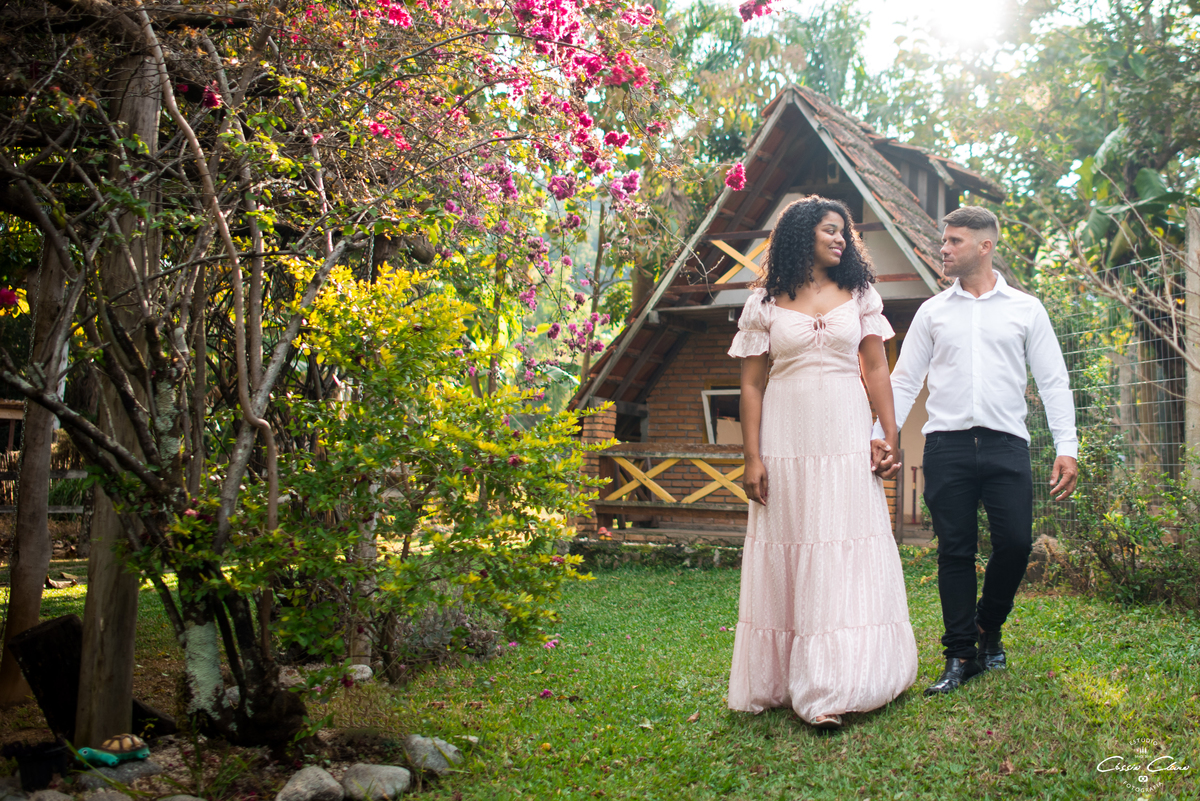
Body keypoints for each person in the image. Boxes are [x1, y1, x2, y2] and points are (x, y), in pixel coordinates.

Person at [727, 196, 918, 731]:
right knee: (794, 542)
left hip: (845, 432)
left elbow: (876, 368)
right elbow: (751, 385)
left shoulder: (860, 295)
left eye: (844, 232)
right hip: (786, 436)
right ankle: (786, 680)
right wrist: (752, 458)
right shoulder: (764, 302)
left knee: (842, 543)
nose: (841, 239)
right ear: (801, 235)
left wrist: (887, 435)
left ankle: (837, 683)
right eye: (831, 230)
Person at [870, 206, 1078, 696]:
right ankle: (960, 655)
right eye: (944, 240)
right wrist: (881, 434)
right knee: (955, 552)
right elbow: (904, 381)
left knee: (1015, 544)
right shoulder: (932, 312)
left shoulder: (1026, 309)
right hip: (947, 446)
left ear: (985, 246)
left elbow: (1053, 380)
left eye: (954, 241)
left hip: (1007, 445)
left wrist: (1067, 446)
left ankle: (987, 625)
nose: (943, 248)